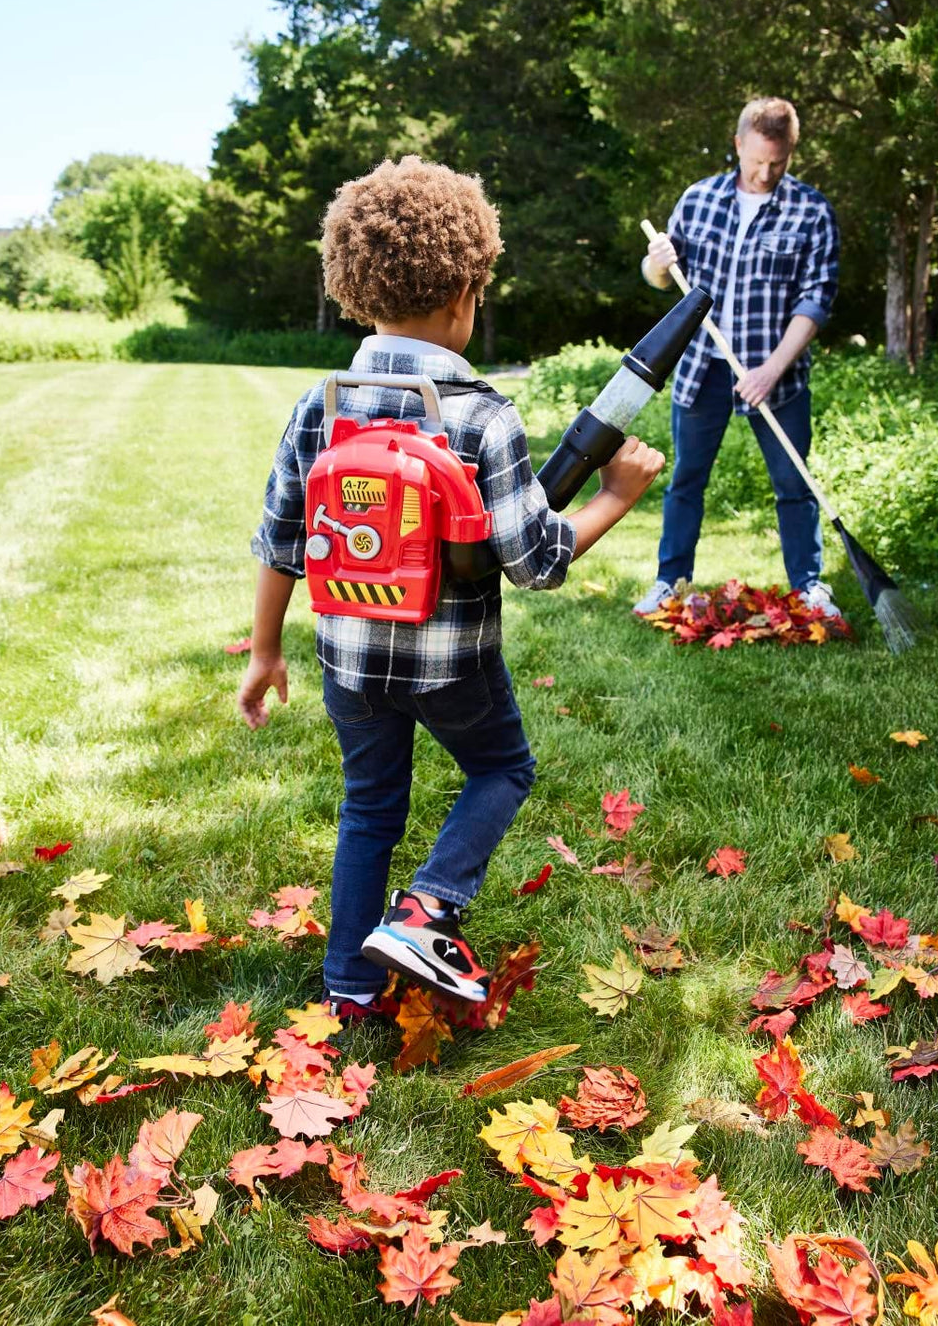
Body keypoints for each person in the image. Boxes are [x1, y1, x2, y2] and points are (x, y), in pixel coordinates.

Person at [237, 155, 664, 1022]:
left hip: (348, 659)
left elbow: (281, 540)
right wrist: (617, 495)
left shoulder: (320, 406)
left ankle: (349, 989)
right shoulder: (480, 414)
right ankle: (429, 907)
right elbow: (536, 559)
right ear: (465, 293)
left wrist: (267, 649)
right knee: (502, 767)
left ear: (356, 291)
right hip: (451, 663)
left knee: (368, 810)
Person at [633, 97, 841, 618]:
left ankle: (808, 586)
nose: (766, 172)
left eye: (778, 162)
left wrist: (772, 368)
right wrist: (656, 265)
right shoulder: (699, 199)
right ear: (738, 144)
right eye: (757, 161)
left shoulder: (812, 211)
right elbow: (662, 278)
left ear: (791, 151)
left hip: (777, 374)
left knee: (794, 485)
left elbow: (815, 301)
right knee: (686, 482)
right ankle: (669, 581)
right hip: (703, 365)